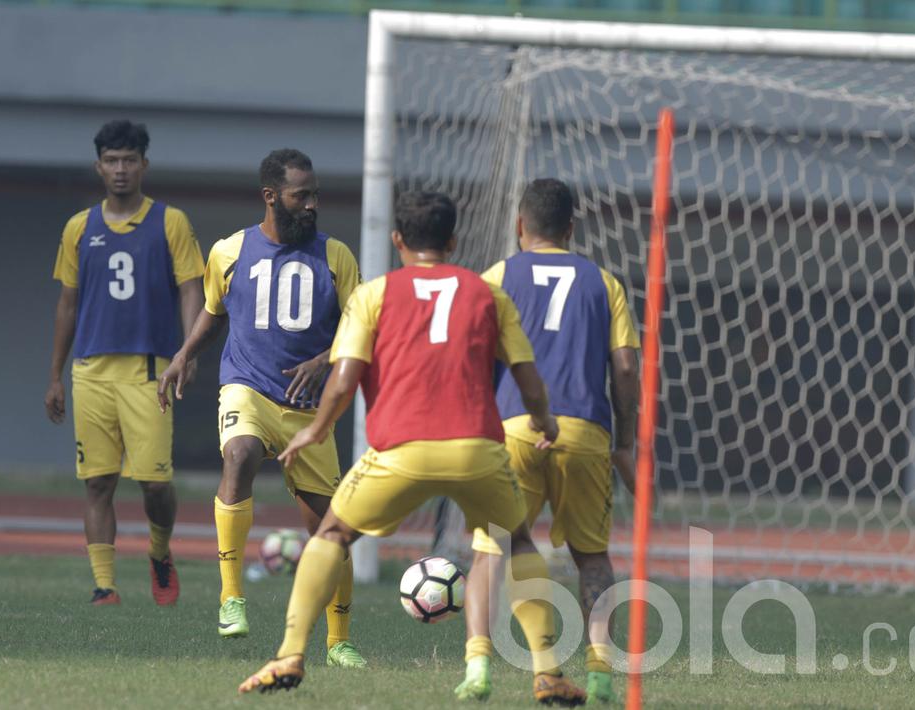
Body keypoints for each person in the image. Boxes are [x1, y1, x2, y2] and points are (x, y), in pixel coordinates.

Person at [237, 191, 586, 706]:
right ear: (452, 241)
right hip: (476, 450)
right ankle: (548, 671)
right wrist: (543, 420)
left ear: (397, 240)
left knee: (332, 533)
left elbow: (343, 379)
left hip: (399, 450)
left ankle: (290, 654)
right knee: (517, 543)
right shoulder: (489, 294)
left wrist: (315, 429)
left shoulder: (374, 294)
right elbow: (527, 377)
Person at [157, 149, 365, 667]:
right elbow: (213, 312)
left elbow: (360, 329)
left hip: (309, 410)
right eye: (302, 195)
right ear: (271, 196)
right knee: (241, 454)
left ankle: (338, 641)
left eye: (315, 193)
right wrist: (185, 354)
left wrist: (326, 358)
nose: (312, 204)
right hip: (247, 388)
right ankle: (232, 597)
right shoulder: (229, 251)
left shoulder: (336, 256)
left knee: (331, 530)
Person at [479, 178, 639, 703]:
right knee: (592, 557)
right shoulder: (605, 283)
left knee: (494, 549)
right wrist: (624, 438)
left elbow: (472, 354)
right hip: (586, 430)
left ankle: (478, 667)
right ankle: (600, 675)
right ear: (572, 228)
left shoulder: (498, 275)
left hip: (515, 430)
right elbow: (625, 368)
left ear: (519, 225)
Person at [45, 119, 205, 606]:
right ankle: (104, 586)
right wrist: (54, 374)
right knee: (98, 482)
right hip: (91, 369)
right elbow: (68, 304)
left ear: (144, 165)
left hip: (148, 369)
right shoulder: (79, 227)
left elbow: (191, 289)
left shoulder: (170, 222)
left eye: (129, 160)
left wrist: (188, 350)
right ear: (99, 166)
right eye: (112, 161)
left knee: (155, 482)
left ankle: (159, 552)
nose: (120, 169)